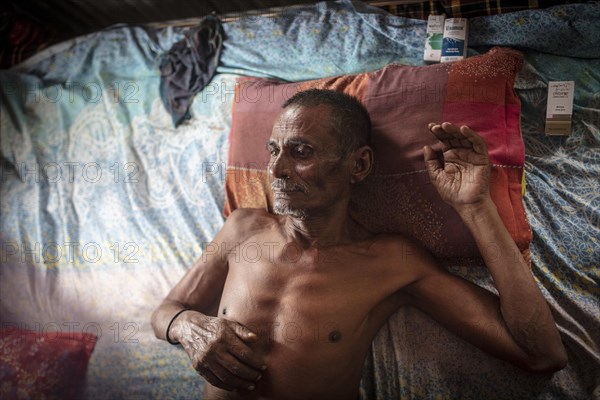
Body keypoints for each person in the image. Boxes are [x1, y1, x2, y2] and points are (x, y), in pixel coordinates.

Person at [151, 89, 567, 400]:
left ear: (360, 165)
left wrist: (476, 207)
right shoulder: (242, 229)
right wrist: (188, 328)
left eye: (301, 152)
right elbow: (166, 311)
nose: (276, 169)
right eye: (273, 150)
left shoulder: (391, 262)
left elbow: (541, 354)